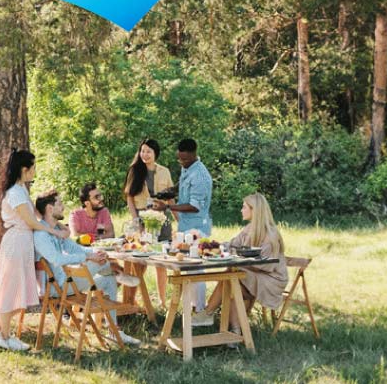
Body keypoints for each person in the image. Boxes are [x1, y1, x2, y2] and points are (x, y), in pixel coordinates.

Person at [0, 149, 70, 351]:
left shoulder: (22, 190)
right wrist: (55, 234)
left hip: (23, 243)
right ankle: (3, 335)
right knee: (11, 288)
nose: (35, 170)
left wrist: (58, 224)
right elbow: (31, 221)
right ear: (24, 169)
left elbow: (38, 214)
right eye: (33, 167)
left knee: (20, 290)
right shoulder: (14, 192)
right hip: (16, 243)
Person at [33, 190, 141, 345]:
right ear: (50, 208)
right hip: (57, 287)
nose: (63, 207)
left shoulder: (55, 230)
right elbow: (56, 259)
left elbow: (74, 248)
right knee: (98, 262)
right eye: (60, 203)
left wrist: (94, 251)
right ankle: (116, 271)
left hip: (66, 282)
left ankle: (114, 332)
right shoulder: (41, 235)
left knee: (108, 280)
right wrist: (88, 257)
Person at [191, 193, 288, 338]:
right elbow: (232, 245)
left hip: (271, 279)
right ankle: (234, 333)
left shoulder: (271, 234)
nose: (241, 210)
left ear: (254, 210)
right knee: (233, 279)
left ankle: (208, 314)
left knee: (232, 277)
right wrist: (209, 244)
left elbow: (268, 266)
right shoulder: (249, 229)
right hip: (253, 274)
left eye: (244, 207)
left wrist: (242, 260)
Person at [153, 138, 213, 311]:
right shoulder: (188, 167)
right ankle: (189, 308)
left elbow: (194, 206)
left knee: (195, 268)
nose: (182, 162)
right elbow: (183, 184)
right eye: (179, 159)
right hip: (185, 226)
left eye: (185, 159)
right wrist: (169, 192)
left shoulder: (201, 176)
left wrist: (168, 206)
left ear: (194, 154)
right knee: (186, 268)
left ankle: (199, 309)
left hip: (197, 228)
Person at [123, 138, 174, 307]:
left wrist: (178, 217)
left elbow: (171, 198)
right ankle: (132, 300)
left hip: (161, 218)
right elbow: (129, 197)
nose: (144, 154)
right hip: (142, 218)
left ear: (155, 154)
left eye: (148, 151)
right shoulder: (134, 170)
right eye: (142, 151)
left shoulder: (165, 171)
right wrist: (136, 219)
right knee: (141, 261)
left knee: (162, 261)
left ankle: (162, 301)